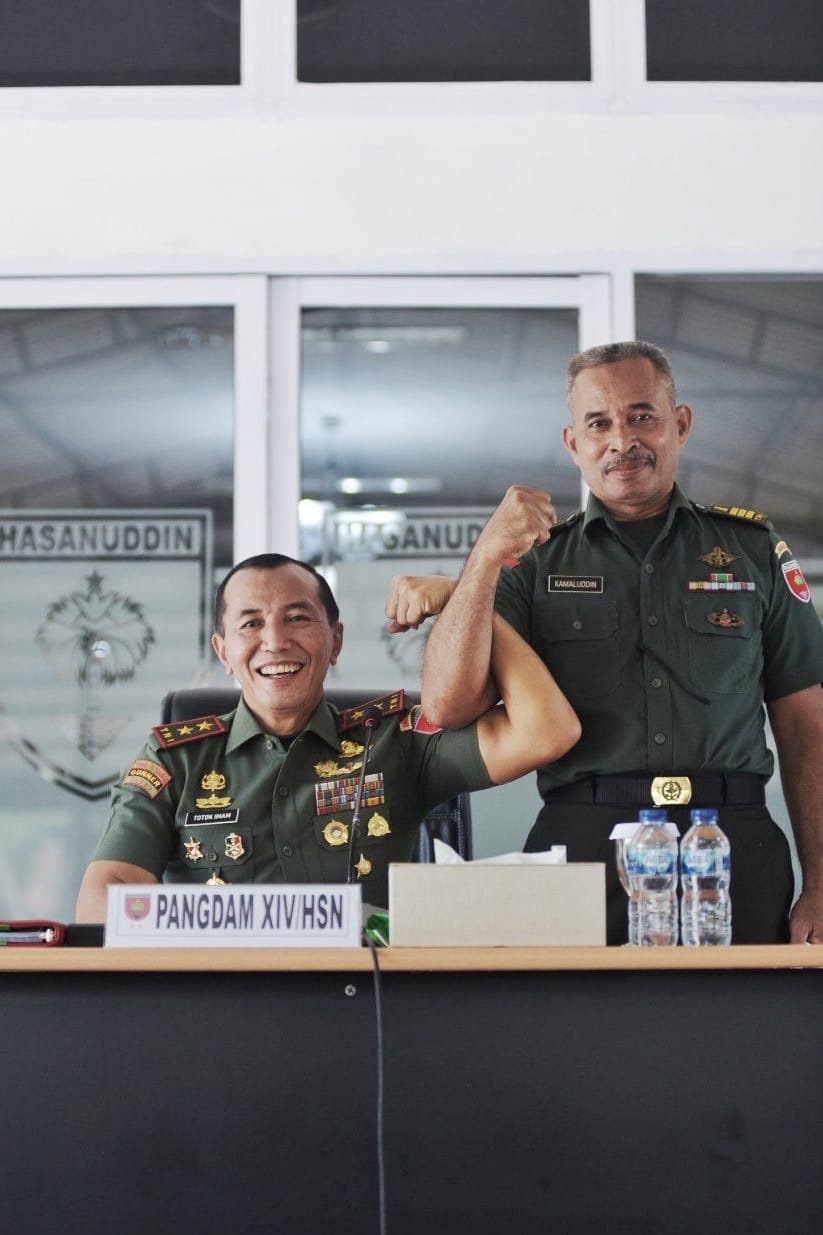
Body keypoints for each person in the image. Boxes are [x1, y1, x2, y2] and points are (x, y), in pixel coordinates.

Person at [387, 341, 823, 945]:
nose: (622, 440)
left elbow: (805, 724)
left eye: (642, 416)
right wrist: (483, 559)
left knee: (741, 1009)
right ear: (574, 443)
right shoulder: (533, 563)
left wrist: (821, 882)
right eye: (599, 423)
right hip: (584, 844)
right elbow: (449, 706)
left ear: (680, 424)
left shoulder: (753, 552)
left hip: (731, 842)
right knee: (579, 1011)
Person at [76, 553, 580, 921]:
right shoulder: (177, 758)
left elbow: (546, 731)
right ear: (224, 651)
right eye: (251, 624)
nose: (276, 641)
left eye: (298, 618)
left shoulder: (393, 741)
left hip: (364, 1003)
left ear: (334, 640)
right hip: (219, 1000)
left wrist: (465, 599)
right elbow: (106, 895)